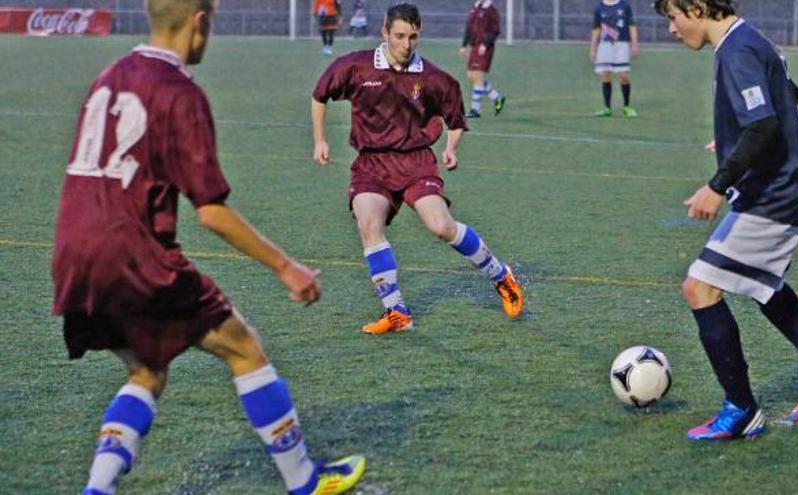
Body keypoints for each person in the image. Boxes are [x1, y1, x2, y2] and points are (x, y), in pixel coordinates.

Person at [52, 0, 366, 493]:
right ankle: (304, 480)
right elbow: (211, 211)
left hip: (73, 253)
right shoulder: (179, 91)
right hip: (133, 253)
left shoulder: (109, 75)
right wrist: (286, 268)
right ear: (200, 23)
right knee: (243, 347)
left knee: (147, 368)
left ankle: (98, 487)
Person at [652, 0, 798, 441]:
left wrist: (717, 184)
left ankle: (742, 410)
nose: (671, 28)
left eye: (672, 15)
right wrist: (731, 133)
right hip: (790, 187)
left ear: (697, 7)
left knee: (700, 286)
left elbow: (763, 125)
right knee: (764, 284)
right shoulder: (749, 38)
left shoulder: (735, 50)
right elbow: (794, 98)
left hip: (776, 194)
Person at [311, 3, 524, 335]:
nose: (406, 44)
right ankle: (397, 312)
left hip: (416, 162)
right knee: (369, 224)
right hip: (372, 164)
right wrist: (320, 140)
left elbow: (456, 122)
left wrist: (451, 148)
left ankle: (500, 275)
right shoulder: (355, 67)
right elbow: (319, 95)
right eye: (399, 36)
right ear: (384, 33)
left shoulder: (435, 79)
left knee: (441, 226)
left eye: (413, 36)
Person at [589, 0, 638, 117]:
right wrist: (593, 48)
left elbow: (631, 26)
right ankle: (607, 108)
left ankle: (626, 107)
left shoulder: (624, 6)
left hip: (622, 45)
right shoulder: (599, 7)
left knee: (624, 76)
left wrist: (634, 44)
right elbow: (596, 29)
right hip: (605, 45)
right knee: (606, 75)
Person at [459, 0, 506, 118]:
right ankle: (497, 98)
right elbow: (468, 27)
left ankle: (476, 110)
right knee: (471, 75)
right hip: (475, 46)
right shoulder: (475, 8)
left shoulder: (491, 10)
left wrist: (485, 44)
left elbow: (496, 31)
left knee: (478, 76)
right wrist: (464, 45)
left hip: (485, 48)